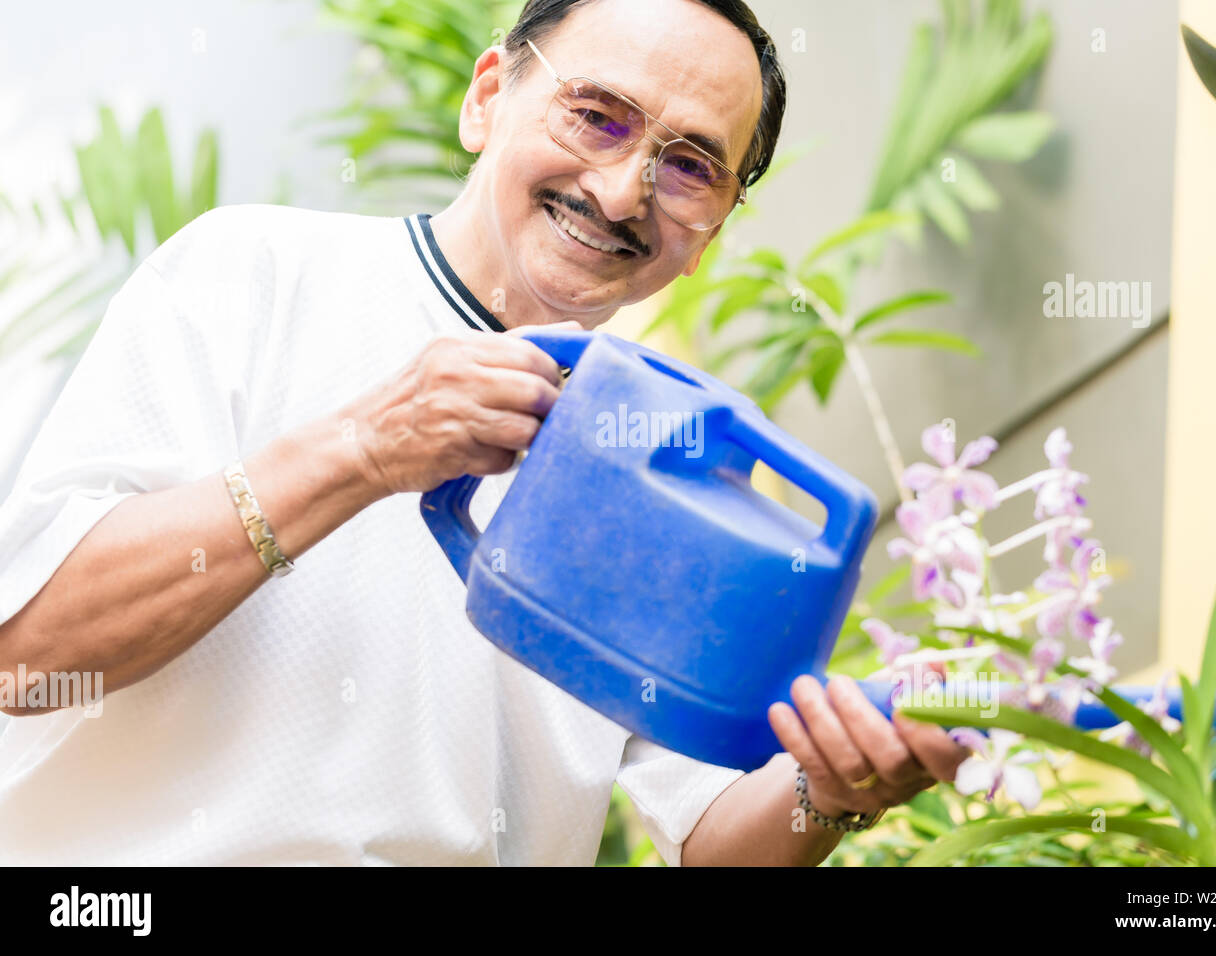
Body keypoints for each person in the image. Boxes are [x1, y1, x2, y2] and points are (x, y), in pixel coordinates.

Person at [0, 0, 968, 866]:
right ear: (487, 98)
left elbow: (707, 834)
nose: (625, 190)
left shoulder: (687, 459)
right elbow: (29, 659)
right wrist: (365, 447)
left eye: (689, 166)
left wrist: (832, 793)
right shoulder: (249, 270)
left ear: (712, 230)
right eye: (597, 116)